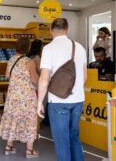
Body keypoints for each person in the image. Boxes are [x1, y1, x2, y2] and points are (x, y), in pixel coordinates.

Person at [37, 18, 87, 161]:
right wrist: (75, 90)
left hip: (58, 100)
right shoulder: (79, 47)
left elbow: (44, 79)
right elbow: (84, 76)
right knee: (74, 136)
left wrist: (39, 102)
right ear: (68, 28)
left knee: (62, 140)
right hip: (78, 100)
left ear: (51, 30)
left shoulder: (48, 48)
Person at [0, 37, 39, 159]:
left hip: (12, 96)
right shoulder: (29, 61)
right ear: (28, 47)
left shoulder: (11, 59)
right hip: (26, 97)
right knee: (29, 121)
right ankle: (29, 150)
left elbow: (7, 75)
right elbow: (34, 79)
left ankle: (9, 147)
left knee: (13, 119)